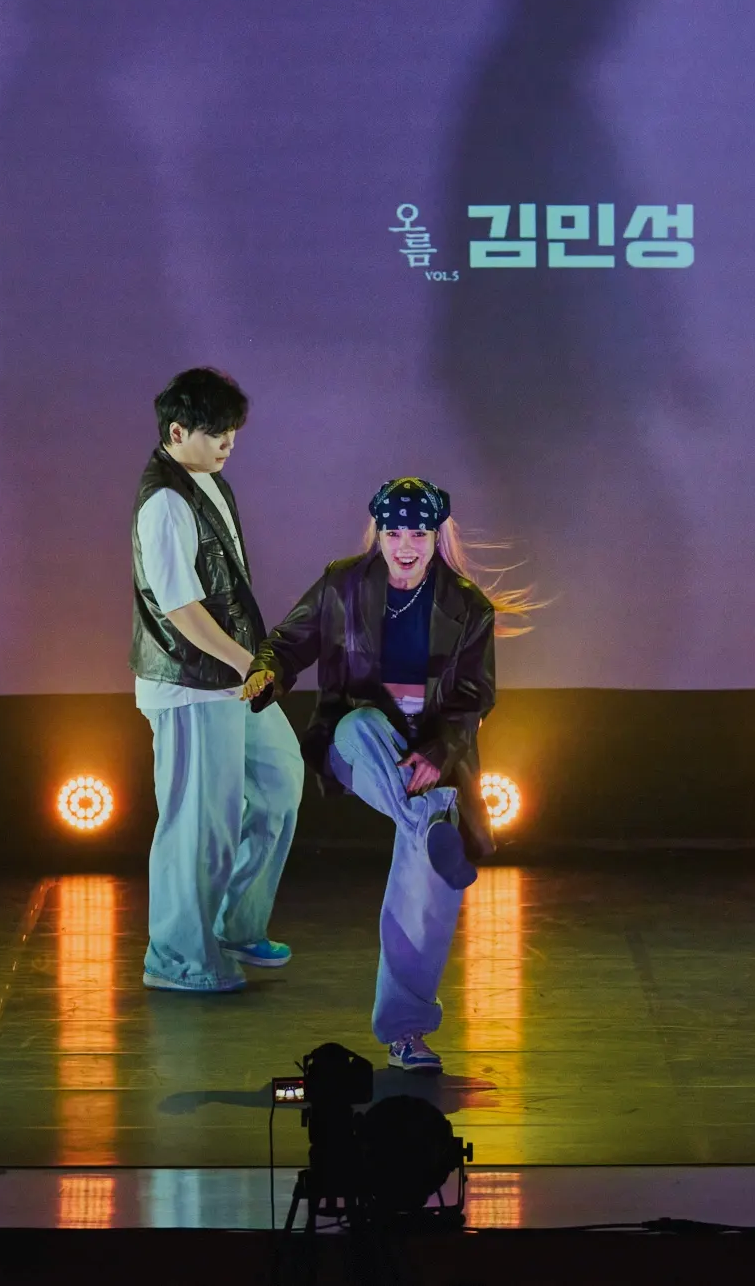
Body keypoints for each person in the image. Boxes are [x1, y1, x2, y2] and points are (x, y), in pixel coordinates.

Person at [242, 478, 532, 1070]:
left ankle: (406, 1034)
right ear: (377, 533)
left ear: (437, 537)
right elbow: (288, 643)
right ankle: (429, 821)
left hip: (430, 761)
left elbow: (474, 698)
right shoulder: (342, 585)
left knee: (425, 891)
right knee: (364, 725)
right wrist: (266, 672)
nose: (404, 546)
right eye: (393, 532)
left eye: (417, 534)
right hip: (360, 747)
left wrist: (440, 750)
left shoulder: (468, 607)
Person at [132, 368, 305, 993]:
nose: (228, 442)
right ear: (178, 432)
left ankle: (235, 924)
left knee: (279, 783)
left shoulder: (209, 481)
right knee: (197, 826)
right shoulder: (165, 501)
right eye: (215, 432)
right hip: (192, 685)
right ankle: (178, 959)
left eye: (232, 430)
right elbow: (180, 608)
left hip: (231, 676)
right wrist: (245, 663)